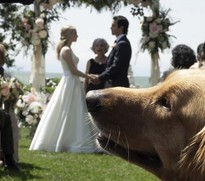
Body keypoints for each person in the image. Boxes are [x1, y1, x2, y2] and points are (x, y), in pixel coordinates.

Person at [29, 25, 102, 153]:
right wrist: (88, 76)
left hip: (71, 82)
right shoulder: (66, 50)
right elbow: (73, 70)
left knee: (73, 110)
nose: (77, 36)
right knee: (69, 110)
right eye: (75, 33)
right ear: (69, 35)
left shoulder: (67, 49)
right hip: (70, 82)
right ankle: (69, 141)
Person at [93, 15, 132, 88]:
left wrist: (100, 77)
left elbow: (116, 67)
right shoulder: (119, 42)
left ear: (121, 27)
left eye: (113, 26)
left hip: (117, 86)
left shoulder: (122, 44)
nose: (111, 28)